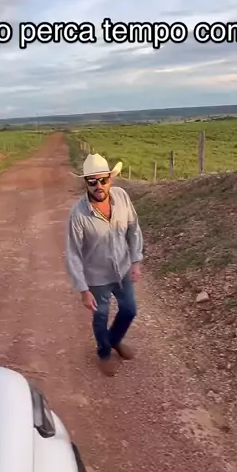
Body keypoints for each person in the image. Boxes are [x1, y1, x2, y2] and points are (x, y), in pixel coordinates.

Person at [65, 152, 144, 376]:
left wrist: (136, 260)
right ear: (86, 183)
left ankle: (114, 339)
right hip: (97, 277)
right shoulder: (78, 215)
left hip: (123, 269)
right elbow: (73, 253)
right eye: (92, 181)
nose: (98, 186)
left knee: (129, 310)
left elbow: (133, 229)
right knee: (100, 316)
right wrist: (83, 290)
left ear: (110, 179)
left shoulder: (122, 197)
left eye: (103, 180)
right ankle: (104, 353)